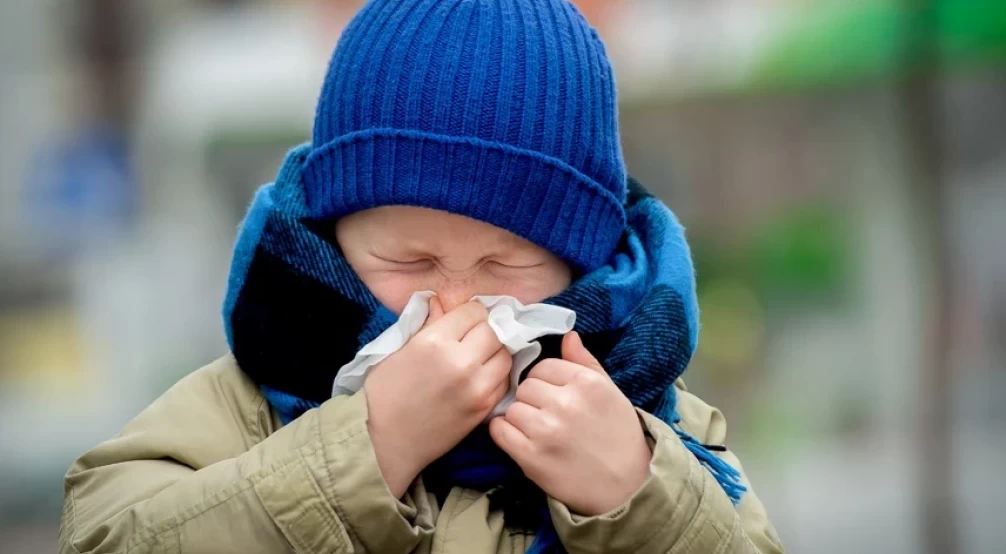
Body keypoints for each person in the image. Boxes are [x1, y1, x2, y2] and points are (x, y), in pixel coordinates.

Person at [59, 1, 785, 553]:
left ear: (579, 265)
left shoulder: (651, 416)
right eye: (410, 262)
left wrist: (637, 495)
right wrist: (366, 449)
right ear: (335, 241)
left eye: (507, 265)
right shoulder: (249, 399)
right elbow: (105, 532)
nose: (456, 307)